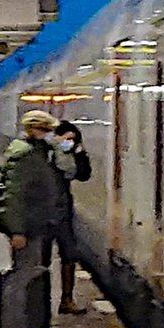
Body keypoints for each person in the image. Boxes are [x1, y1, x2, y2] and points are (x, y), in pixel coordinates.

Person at [0, 113, 71, 328]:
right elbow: (14, 196)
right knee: (22, 278)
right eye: (46, 130)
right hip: (28, 227)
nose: (50, 135)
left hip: (34, 225)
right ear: (34, 130)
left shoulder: (34, 152)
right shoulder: (26, 156)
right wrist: (17, 231)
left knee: (26, 275)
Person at [43, 114, 95, 309]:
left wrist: (79, 152)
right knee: (42, 257)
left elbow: (83, 174)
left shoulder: (70, 157)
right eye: (66, 139)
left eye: (72, 140)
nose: (68, 143)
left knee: (69, 254)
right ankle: (42, 301)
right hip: (43, 211)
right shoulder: (44, 152)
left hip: (63, 210)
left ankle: (66, 299)